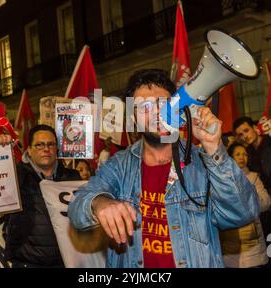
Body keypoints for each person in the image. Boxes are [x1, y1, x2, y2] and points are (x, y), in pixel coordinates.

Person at [68, 69, 259, 268]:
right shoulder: (119, 165)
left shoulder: (202, 161)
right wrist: (99, 203)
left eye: (164, 104)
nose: (157, 112)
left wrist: (214, 148)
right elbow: (77, 211)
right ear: (133, 119)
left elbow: (243, 213)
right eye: (145, 107)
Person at [0, 124, 81, 268]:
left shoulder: (73, 177)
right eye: (39, 145)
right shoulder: (15, 176)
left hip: (67, 262)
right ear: (29, 150)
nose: (46, 149)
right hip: (27, 263)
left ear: (57, 149)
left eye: (50, 144)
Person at [233, 116, 271, 267]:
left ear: (255, 128)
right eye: (240, 134)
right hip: (264, 215)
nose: (245, 136)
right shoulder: (247, 154)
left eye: (246, 130)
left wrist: (269, 196)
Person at [220, 143, 271, 268]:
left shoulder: (253, 178)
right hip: (229, 244)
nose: (242, 157)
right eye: (238, 154)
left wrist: (248, 199)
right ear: (230, 157)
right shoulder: (221, 179)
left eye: (245, 154)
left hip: (252, 243)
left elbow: (266, 202)